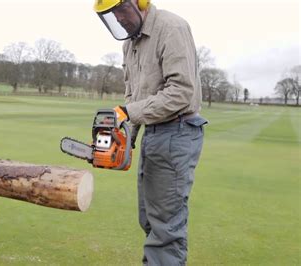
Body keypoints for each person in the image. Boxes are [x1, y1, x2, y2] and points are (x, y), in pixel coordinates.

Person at [93, 0, 208, 265]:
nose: (118, 19)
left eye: (120, 10)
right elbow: (132, 97)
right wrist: (123, 140)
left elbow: (181, 92)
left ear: (139, 2)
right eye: (111, 15)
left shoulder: (171, 28)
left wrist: (128, 113)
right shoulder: (130, 44)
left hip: (177, 132)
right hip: (154, 134)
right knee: (148, 218)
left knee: (165, 227)